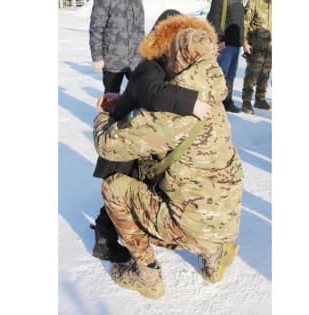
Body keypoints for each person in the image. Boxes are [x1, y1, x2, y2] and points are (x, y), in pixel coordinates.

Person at [93, 15, 243, 299]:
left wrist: (104, 114)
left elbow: (108, 145)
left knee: (114, 187)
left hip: (193, 226)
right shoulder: (213, 94)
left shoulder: (172, 113)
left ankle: (148, 277)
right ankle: (215, 259)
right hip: (228, 219)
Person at [90, 10, 214, 263]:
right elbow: (152, 93)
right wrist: (191, 103)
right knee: (121, 183)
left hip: (138, 139)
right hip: (125, 142)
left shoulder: (161, 66)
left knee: (135, 185)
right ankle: (104, 241)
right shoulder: (150, 66)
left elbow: (138, 94)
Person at [89, 0, 144, 93]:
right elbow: (96, 29)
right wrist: (97, 57)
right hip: (112, 61)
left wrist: (145, 52)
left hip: (136, 59)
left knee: (140, 96)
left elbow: (140, 29)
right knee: (111, 99)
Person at [207, 0, 244, 113]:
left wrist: (243, 41)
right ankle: (214, 103)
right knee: (219, 74)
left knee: (231, 75)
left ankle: (227, 102)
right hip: (224, 44)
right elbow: (213, 18)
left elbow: (240, 22)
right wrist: (219, 39)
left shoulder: (240, 2)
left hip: (236, 43)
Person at [241, 0, 272, 114]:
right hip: (256, 45)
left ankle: (260, 99)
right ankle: (246, 102)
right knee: (252, 74)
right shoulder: (254, 2)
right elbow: (244, 23)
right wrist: (244, 43)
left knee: (265, 73)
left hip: (270, 46)